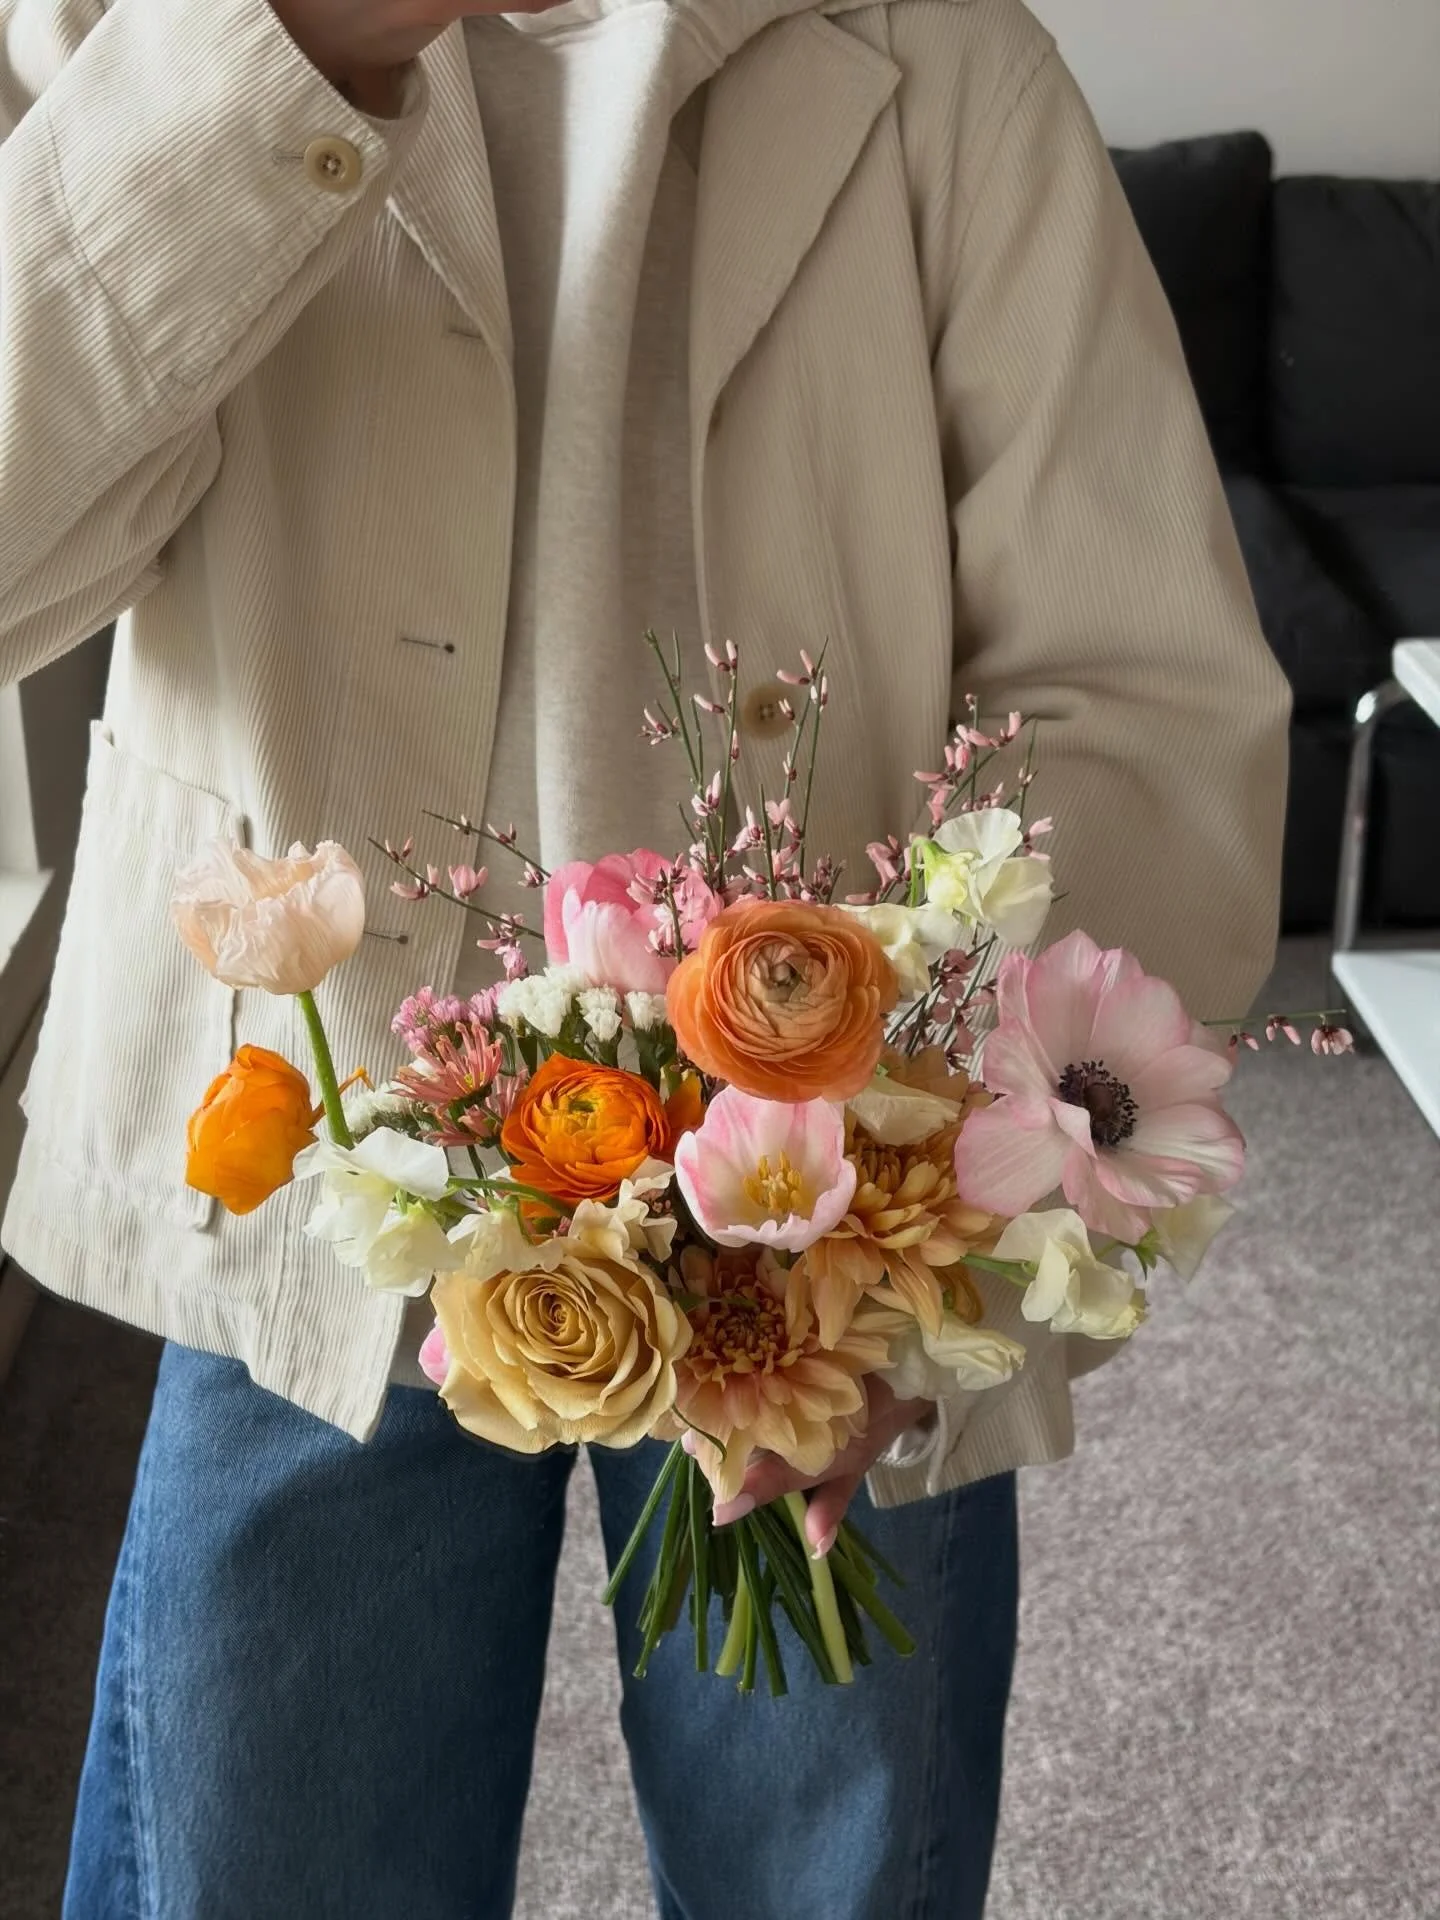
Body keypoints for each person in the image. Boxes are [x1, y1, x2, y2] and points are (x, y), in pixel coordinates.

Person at [0, 0, 1289, 1908]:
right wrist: (266, 60)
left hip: (837, 1232)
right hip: (315, 1169)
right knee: (258, 1861)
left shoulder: (943, 59)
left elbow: (1141, 693)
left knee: (829, 1871)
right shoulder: (124, 20)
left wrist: (927, 1217)